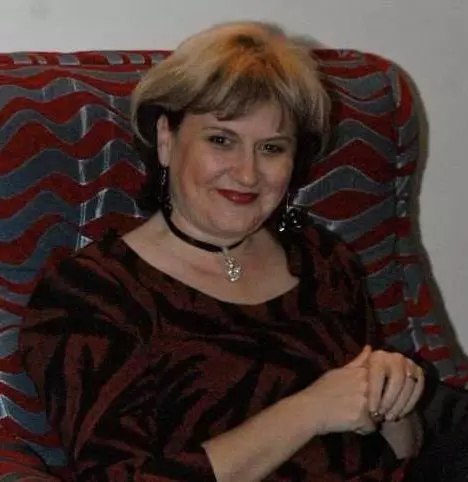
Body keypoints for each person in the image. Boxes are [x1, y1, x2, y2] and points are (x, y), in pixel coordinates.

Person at [19, 21, 428, 481]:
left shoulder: (321, 261)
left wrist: (391, 393)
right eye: (221, 140)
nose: (248, 174)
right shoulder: (92, 294)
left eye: (271, 148)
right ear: (167, 139)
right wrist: (309, 411)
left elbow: (405, 450)